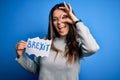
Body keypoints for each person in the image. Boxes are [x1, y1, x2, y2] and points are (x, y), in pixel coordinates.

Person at [15, 2, 100, 80]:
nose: (59, 22)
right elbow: (36, 69)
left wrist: (76, 21)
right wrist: (21, 56)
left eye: (64, 17)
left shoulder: (78, 42)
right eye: (55, 19)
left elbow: (92, 49)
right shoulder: (45, 41)